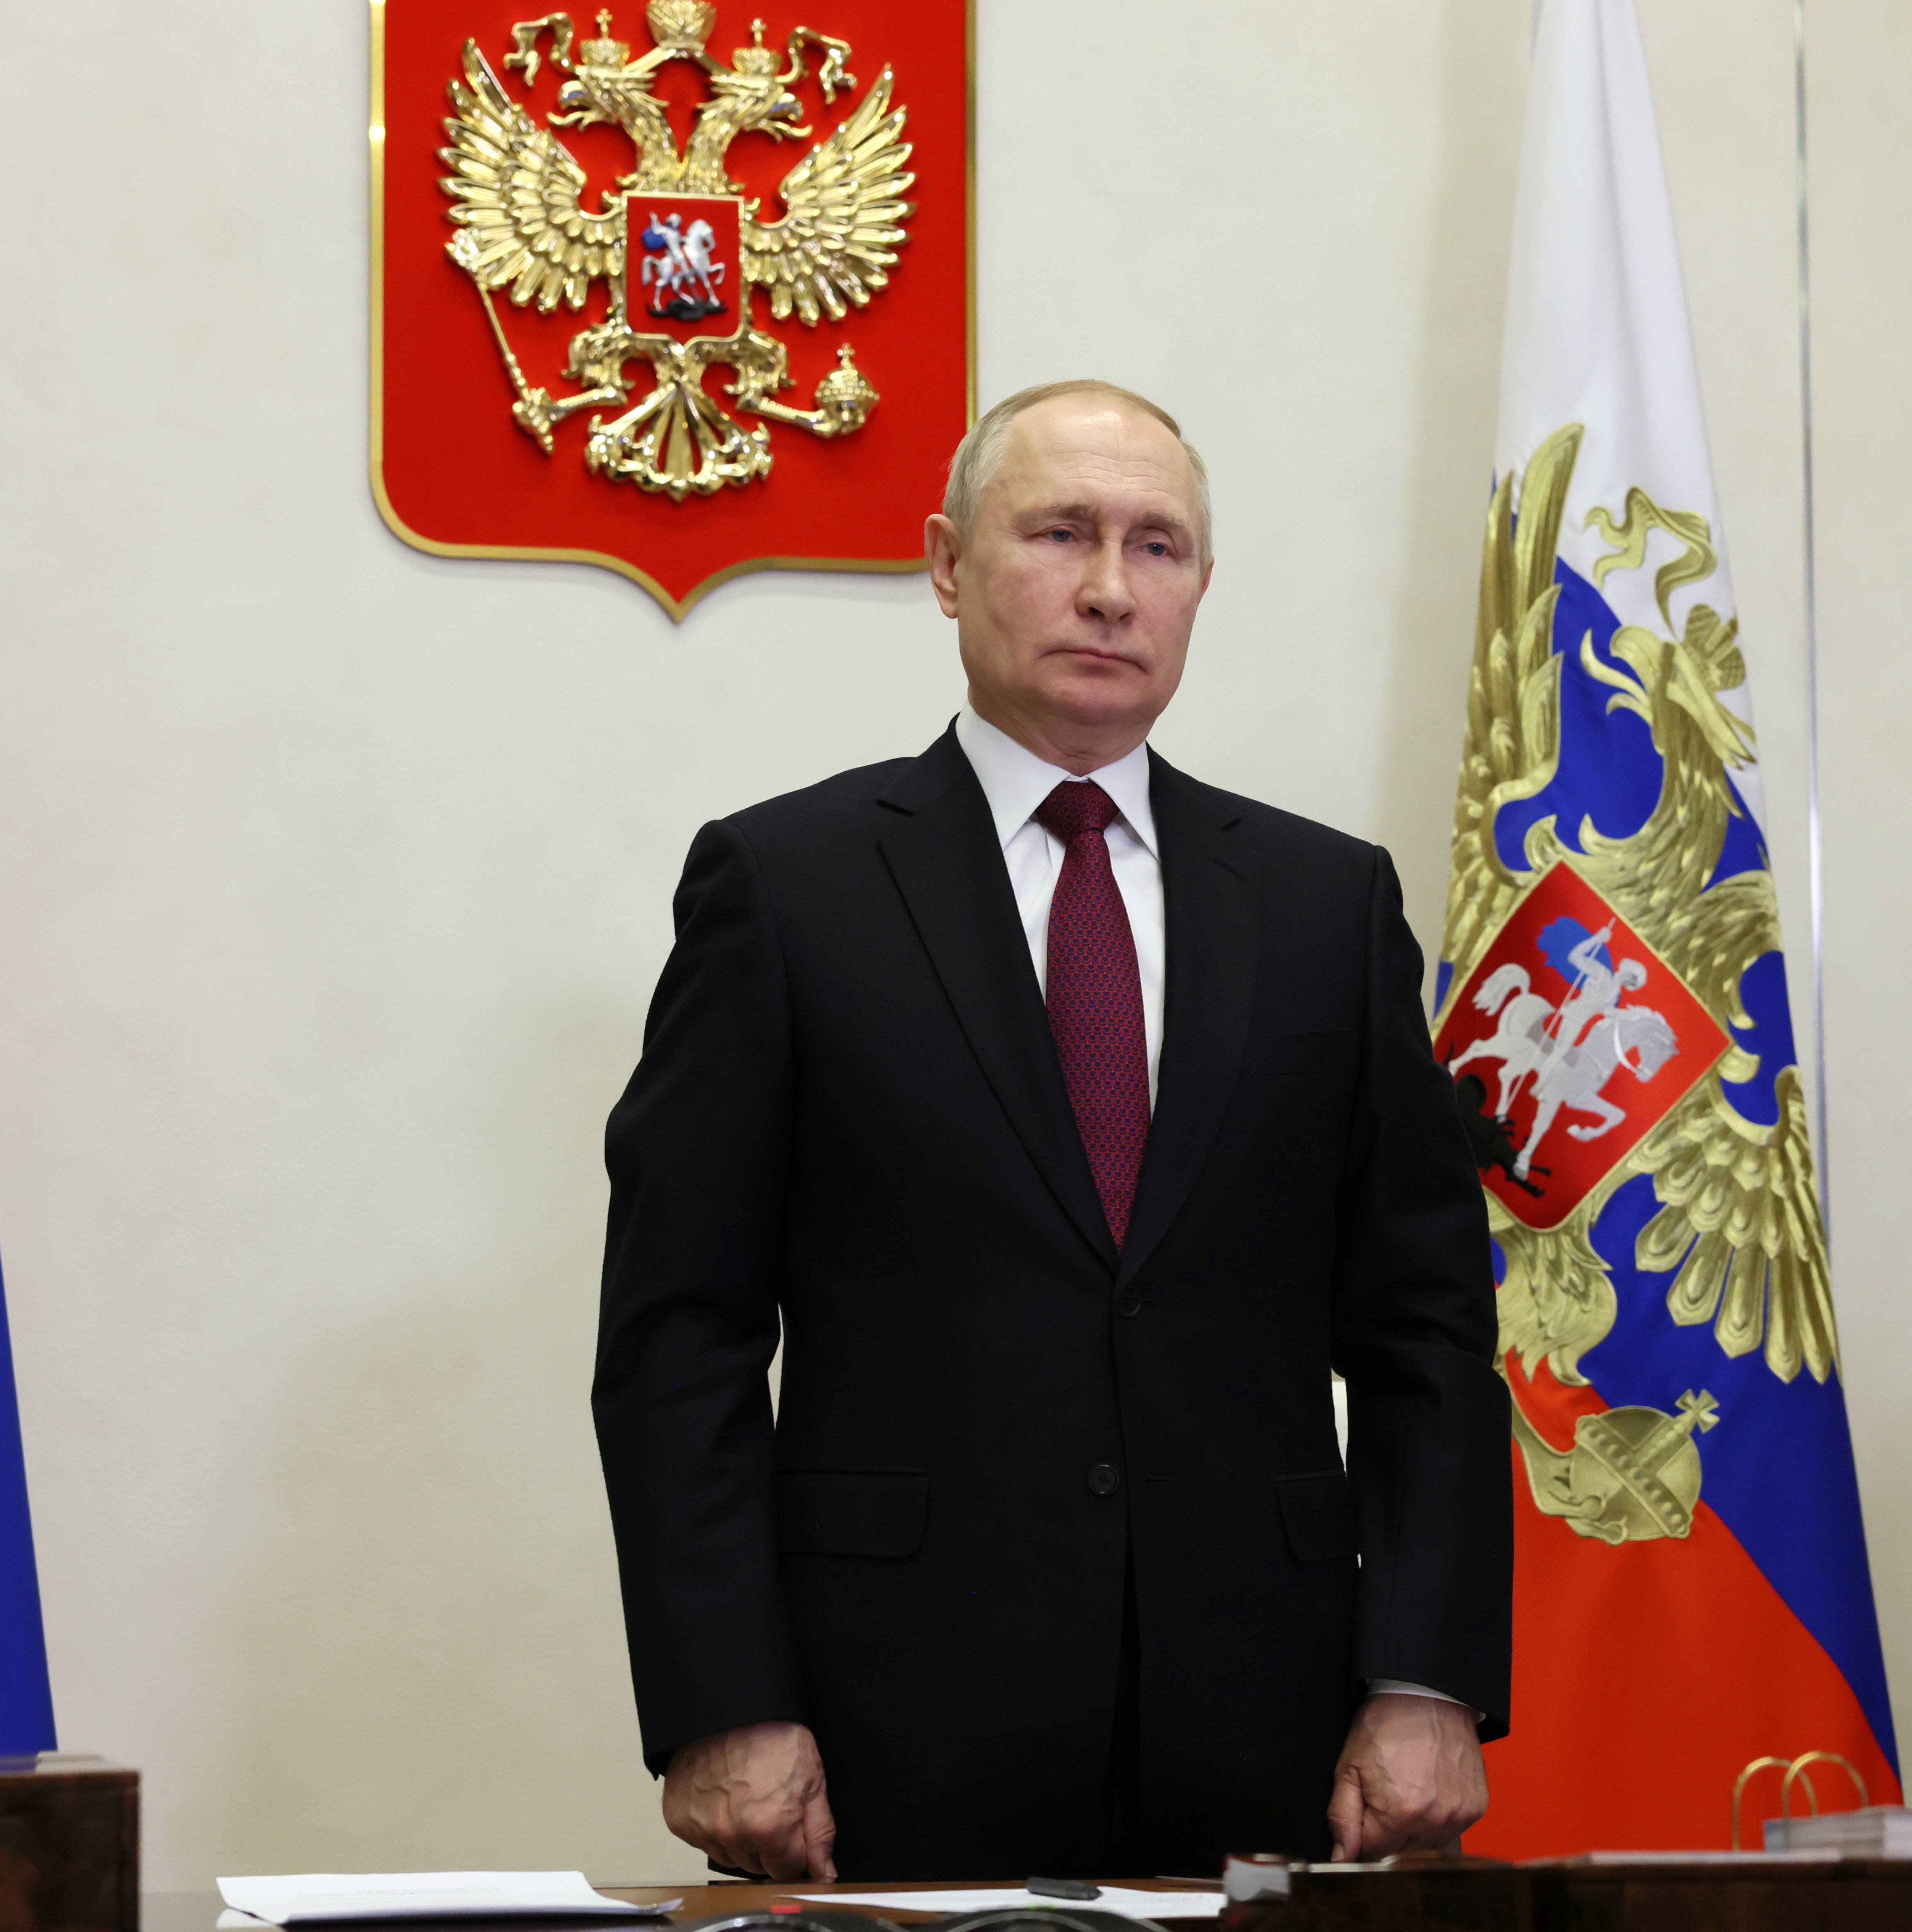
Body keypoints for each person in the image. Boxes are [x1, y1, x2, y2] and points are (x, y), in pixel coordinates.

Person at [592, 380, 1511, 1882]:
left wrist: (1426, 1674)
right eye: (1059, 531)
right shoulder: (787, 885)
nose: (1107, 586)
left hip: (1270, 1726)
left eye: (1156, 546)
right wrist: (723, 1697)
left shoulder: (1326, 906)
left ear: (1200, 589)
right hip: (887, 1728)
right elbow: (677, 1332)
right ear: (948, 564)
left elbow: (1422, 1332)